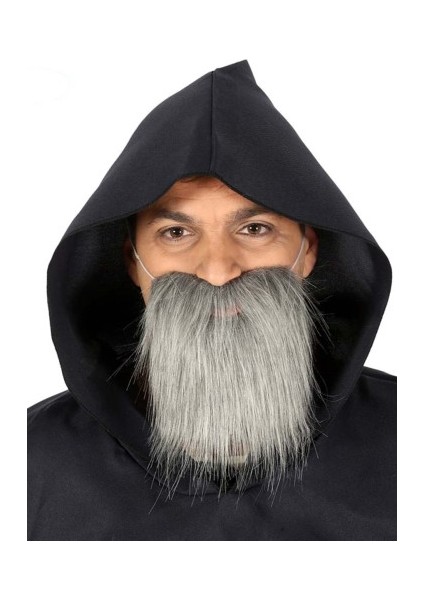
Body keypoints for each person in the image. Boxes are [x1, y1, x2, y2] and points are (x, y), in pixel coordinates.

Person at [27, 60, 396, 541]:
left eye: (255, 229)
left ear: (308, 251)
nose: (218, 271)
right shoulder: (31, 462)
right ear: (132, 261)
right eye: (176, 233)